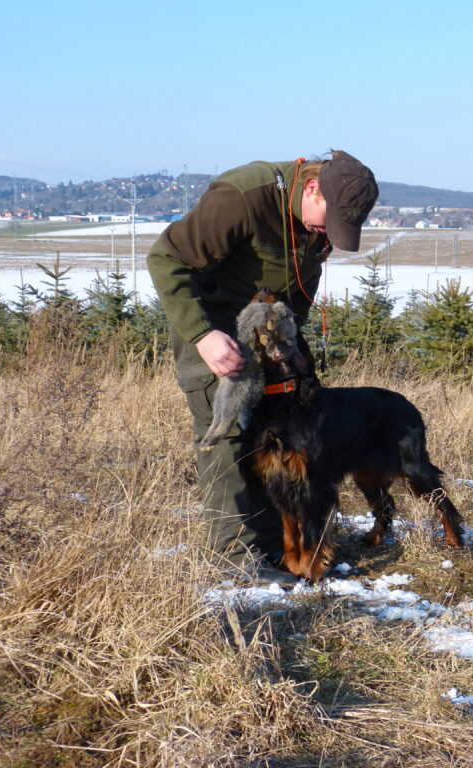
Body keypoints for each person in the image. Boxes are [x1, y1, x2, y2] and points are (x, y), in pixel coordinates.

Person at [147, 151, 379, 580]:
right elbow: (166, 259)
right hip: (215, 336)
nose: (325, 234)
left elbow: (297, 293)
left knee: (278, 439)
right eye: (326, 223)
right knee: (231, 442)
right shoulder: (244, 196)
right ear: (313, 189)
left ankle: (278, 548)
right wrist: (203, 334)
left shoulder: (314, 221)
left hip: (271, 346)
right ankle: (237, 561)